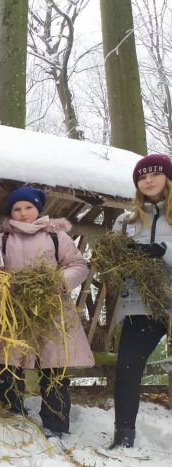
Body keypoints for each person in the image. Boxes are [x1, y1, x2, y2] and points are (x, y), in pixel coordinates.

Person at [0, 187, 94, 437]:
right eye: (17, 209)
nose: (23, 214)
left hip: (51, 310)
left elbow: (78, 265)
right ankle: (11, 412)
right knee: (8, 362)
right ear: (11, 213)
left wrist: (56, 283)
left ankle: (55, 423)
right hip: (15, 310)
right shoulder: (2, 240)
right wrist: (5, 287)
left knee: (54, 365)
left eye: (28, 208)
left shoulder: (57, 237)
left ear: (38, 210)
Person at [110, 154, 172, 448]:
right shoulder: (126, 220)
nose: (148, 180)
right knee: (127, 367)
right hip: (140, 303)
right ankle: (124, 436)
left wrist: (163, 251)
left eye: (154, 175)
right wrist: (122, 261)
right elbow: (112, 259)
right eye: (142, 177)